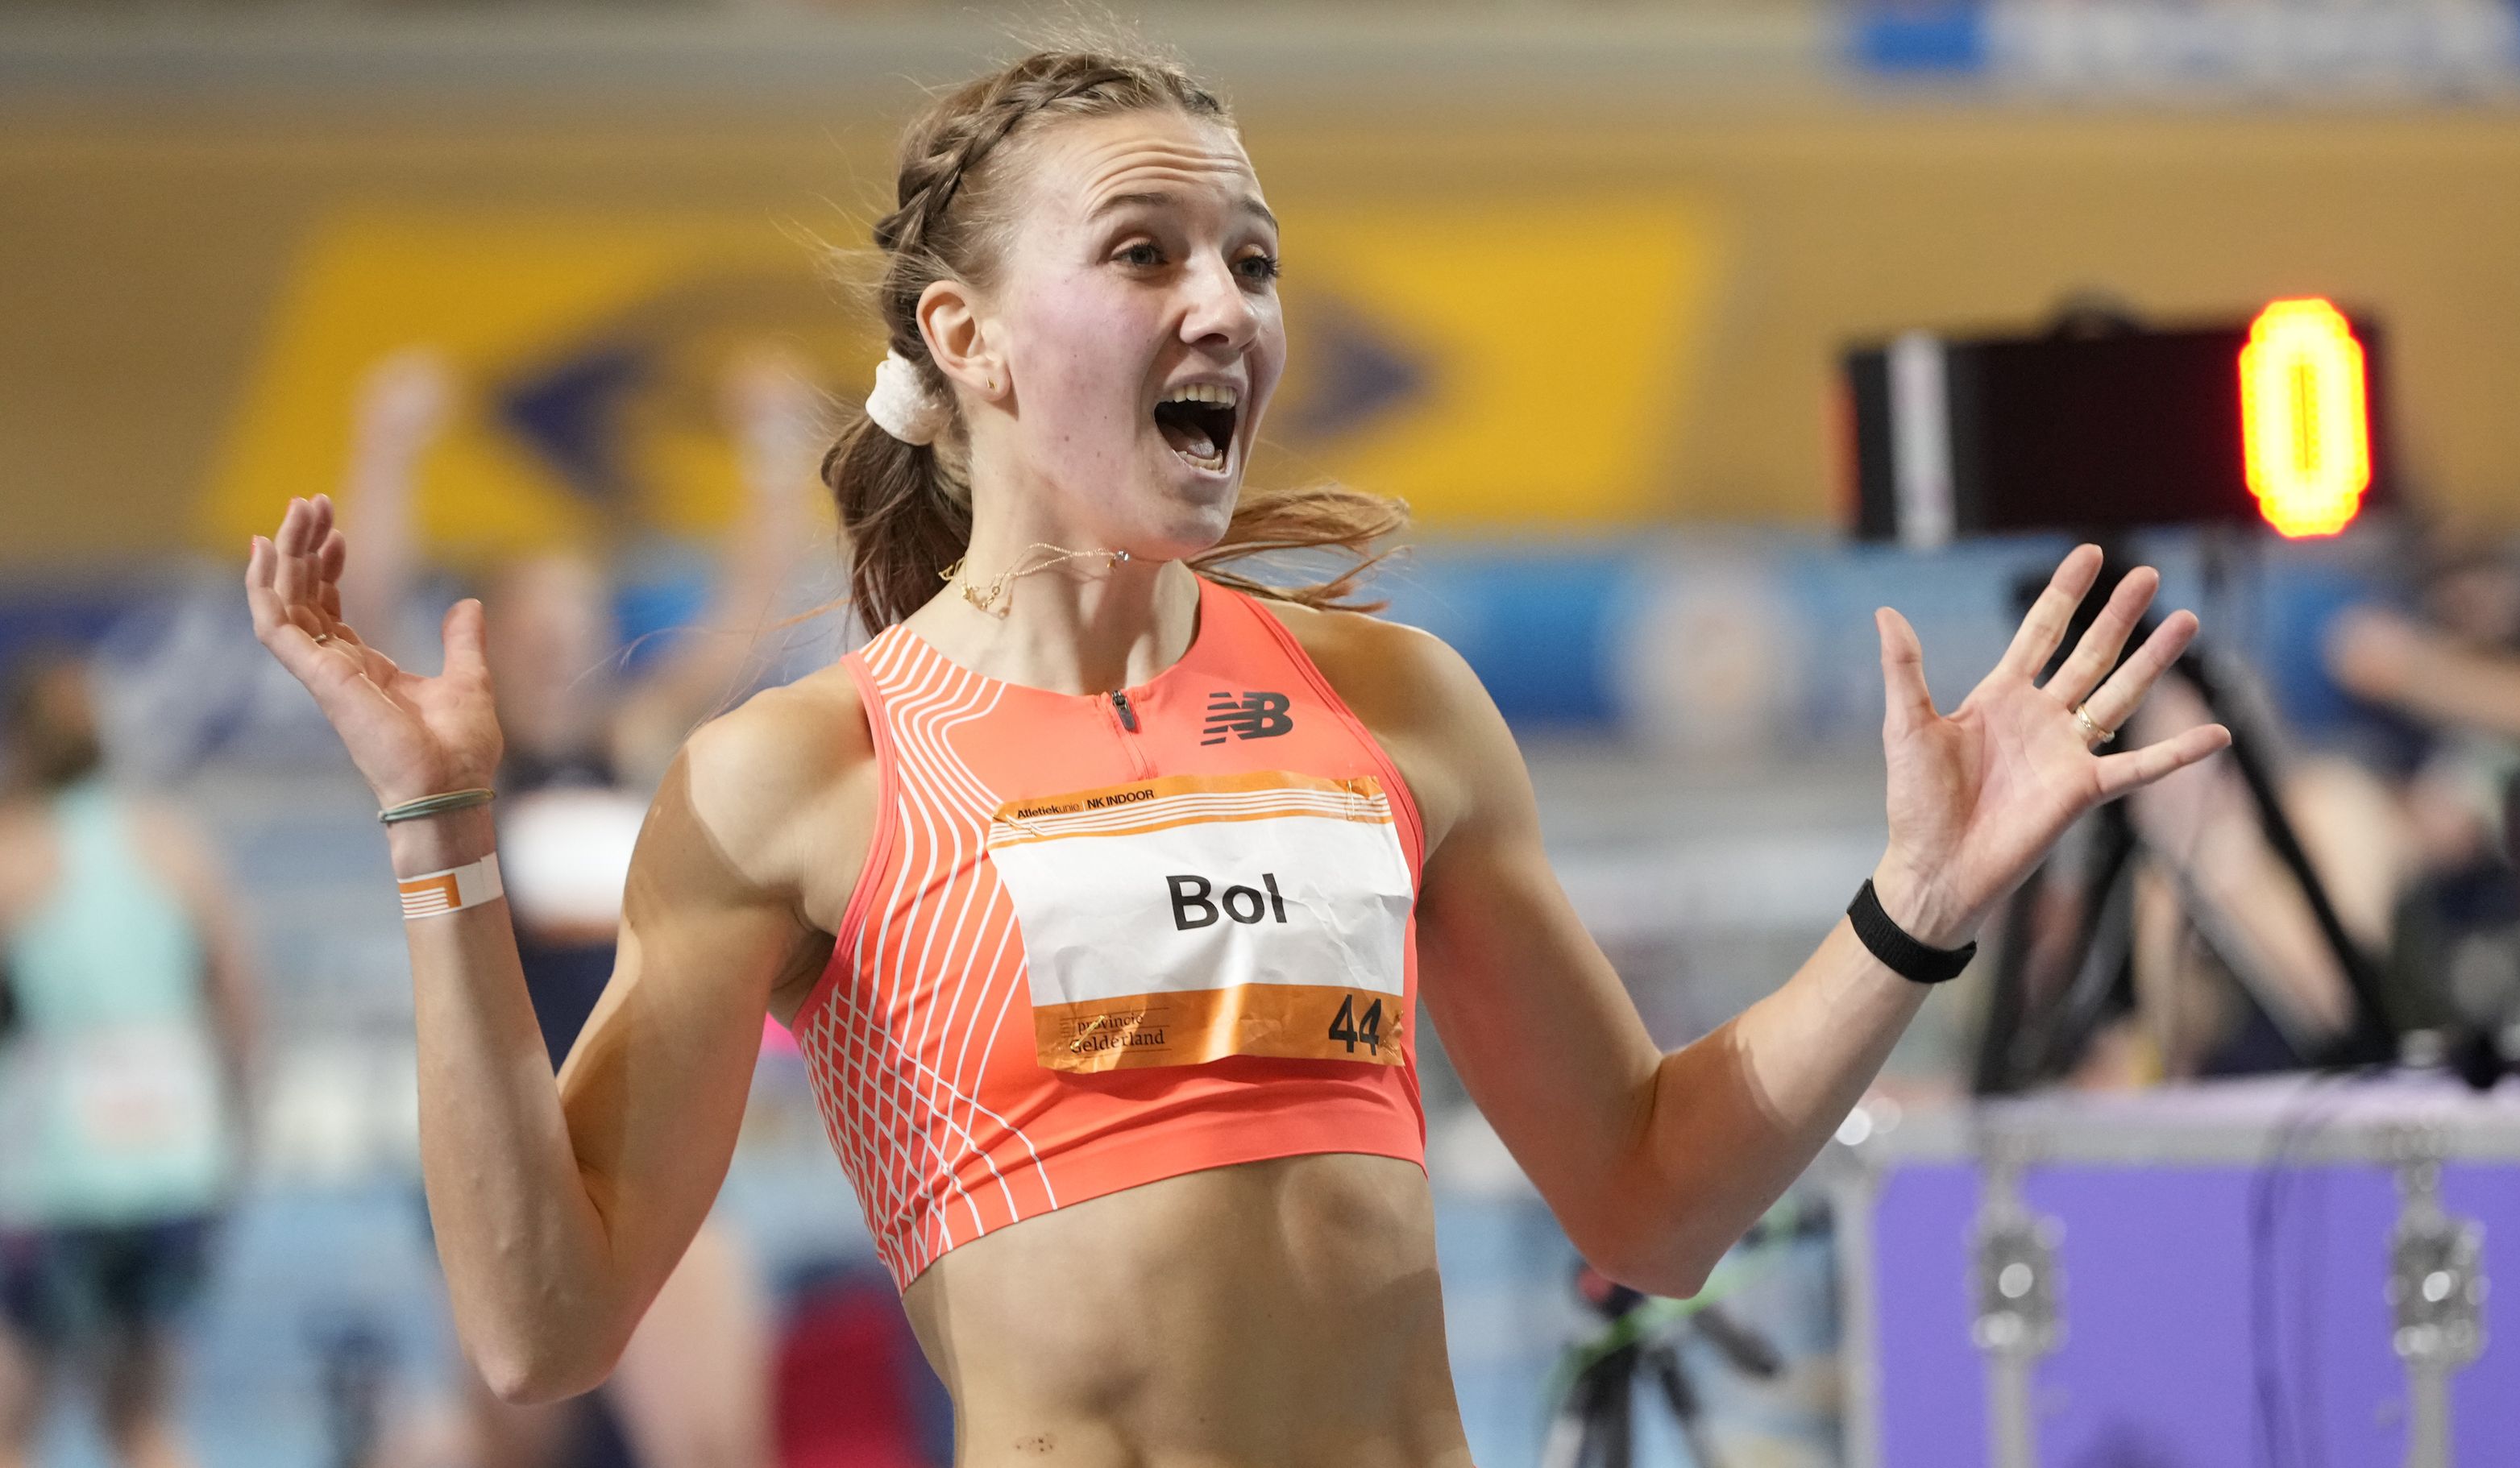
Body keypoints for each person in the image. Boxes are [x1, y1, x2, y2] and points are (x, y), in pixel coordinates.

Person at [243, 39, 2230, 1462]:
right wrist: (439, 834)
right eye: (1142, 253)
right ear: (969, 337)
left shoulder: (1396, 710)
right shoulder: (799, 779)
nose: (1224, 304)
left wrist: (1904, 910)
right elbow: (540, 1322)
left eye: (1251, 261)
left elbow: (1647, 1198)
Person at [326, 349, 811, 1468]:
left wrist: (776, 452)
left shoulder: (628, 745)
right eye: (540, 614)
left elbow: (743, 621)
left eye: (580, 613)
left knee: (703, 1436)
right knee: (516, 1434)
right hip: (502, 1142)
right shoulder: (465, 769)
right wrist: (385, 441)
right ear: (496, 633)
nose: (563, 634)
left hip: (633, 1131)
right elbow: (366, 611)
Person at [0, 652, 259, 1468]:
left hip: (55, 1178)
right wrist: (237, 1130)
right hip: (174, 1164)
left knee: (14, 1418)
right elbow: (242, 1004)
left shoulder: (15, 855)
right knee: (145, 1420)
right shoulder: (173, 842)